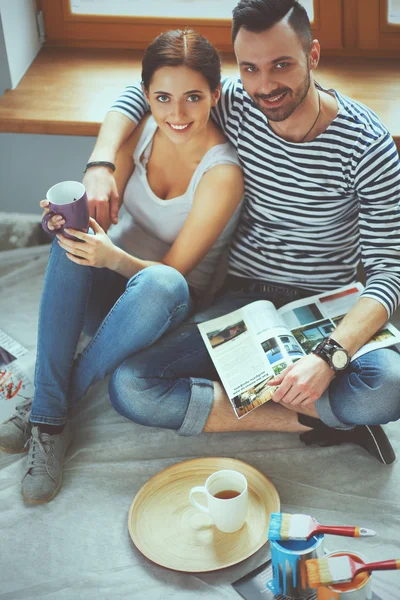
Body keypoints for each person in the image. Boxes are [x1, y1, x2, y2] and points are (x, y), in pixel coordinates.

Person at [34, 1, 400, 464]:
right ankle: (316, 417)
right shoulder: (238, 102)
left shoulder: (367, 144)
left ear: (313, 55)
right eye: (250, 68)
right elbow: (142, 91)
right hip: (240, 298)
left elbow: (389, 273)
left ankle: (313, 395)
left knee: (388, 385)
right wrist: (101, 164)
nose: (265, 86)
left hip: (326, 304)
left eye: (281, 65)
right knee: (130, 386)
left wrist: (329, 357)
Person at [0, 30, 244, 503]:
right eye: (163, 97)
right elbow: (101, 218)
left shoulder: (223, 173)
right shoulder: (144, 130)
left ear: (216, 94)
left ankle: (49, 409)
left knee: (159, 282)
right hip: (113, 289)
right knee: (70, 237)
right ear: (147, 96)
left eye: (194, 97)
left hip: (166, 310)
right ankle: (52, 412)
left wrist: (111, 256)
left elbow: (173, 274)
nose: (177, 114)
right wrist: (69, 220)